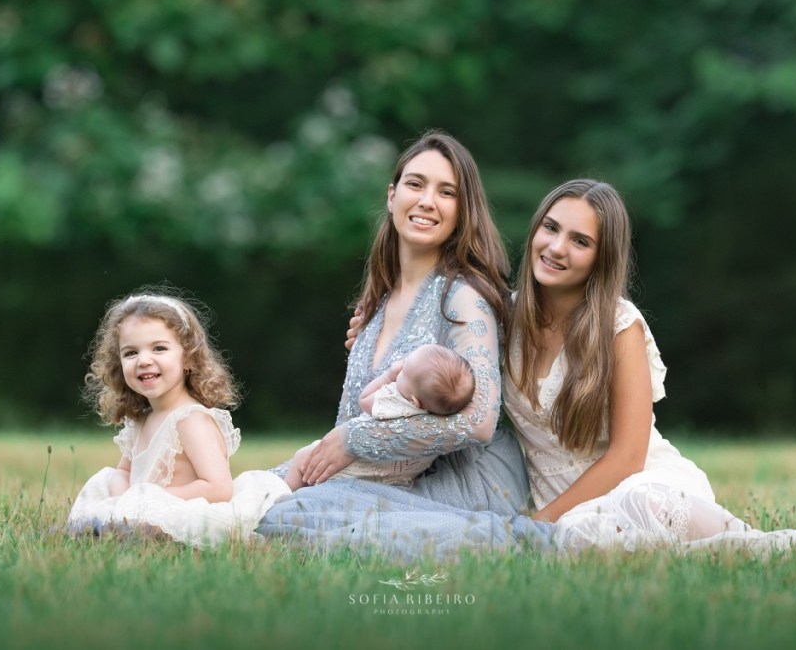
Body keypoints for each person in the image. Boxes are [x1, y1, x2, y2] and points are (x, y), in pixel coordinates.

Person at [255, 130, 544, 559]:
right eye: (415, 184)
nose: (427, 200)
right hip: (387, 477)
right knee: (260, 491)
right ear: (392, 196)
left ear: (463, 211)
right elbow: (352, 419)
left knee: (296, 515)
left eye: (446, 192)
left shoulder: (464, 297)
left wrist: (356, 439)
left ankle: (496, 536)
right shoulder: (378, 303)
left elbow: (480, 421)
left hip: (468, 480)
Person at [503, 179, 796, 553]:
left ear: (602, 259)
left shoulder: (619, 325)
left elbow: (628, 458)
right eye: (551, 228)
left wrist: (541, 521)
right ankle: (723, 552)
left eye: (580, 241)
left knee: (638, 504)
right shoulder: (503, 318)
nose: (557, 248)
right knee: (580, 535)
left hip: (637, 484)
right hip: (563, 505)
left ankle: (749, 539)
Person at [67, 291, 290, 548]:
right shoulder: (142, 420)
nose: (144, 360)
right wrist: (124, 499)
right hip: (143, 509)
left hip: (184, 511)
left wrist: (155, 498)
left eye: (159, 348)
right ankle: (106, 526)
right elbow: (124, 471)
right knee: (103, 482)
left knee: (149, 528)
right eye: (130, 353)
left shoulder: (190, 419)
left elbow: (219, 488)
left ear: (188, 357)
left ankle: (127, 532)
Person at [284, 344, 475, 490]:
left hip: (357, 465)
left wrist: (388, 376)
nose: (400, 370)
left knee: (302, 457)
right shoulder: (436, 421)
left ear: (415, 401)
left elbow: (365, 401)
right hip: (396, 479)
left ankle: (284, 495)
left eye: (404, 373)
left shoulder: (395, 401)